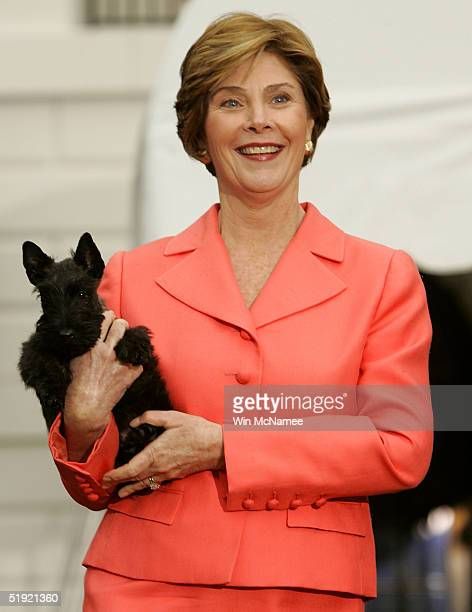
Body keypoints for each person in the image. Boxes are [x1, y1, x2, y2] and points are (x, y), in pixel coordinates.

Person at [47, 12, 433, 611]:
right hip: (142, 589)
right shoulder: (129, 275)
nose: (259, 120)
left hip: (308, 590)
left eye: (280, 98)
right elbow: (95, 474)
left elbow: (400, 443)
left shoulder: (384, 278)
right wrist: (84, 425)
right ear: (200, 134)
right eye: (231, 101)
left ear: (309, 125)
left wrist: (230, 443)